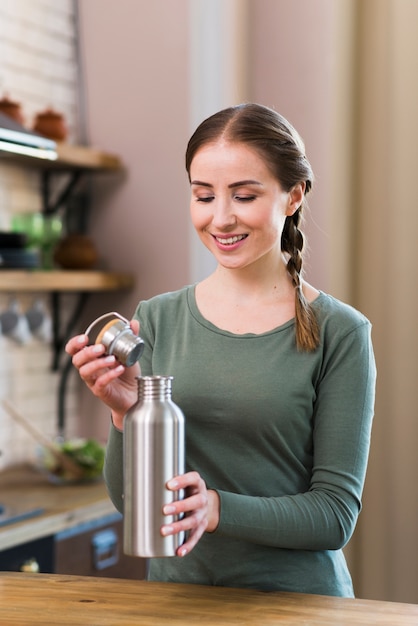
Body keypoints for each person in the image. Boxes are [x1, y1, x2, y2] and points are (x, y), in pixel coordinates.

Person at [65, 103, 376, 597]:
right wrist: (127, 417)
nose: (221, 218)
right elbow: (133, 503)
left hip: (298, 607)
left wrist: (216, 508)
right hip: (180, 601)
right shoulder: (158, 320)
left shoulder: (340, 332)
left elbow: (334, 515)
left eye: (244, 195)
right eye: (204, 196)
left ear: (292, 196)